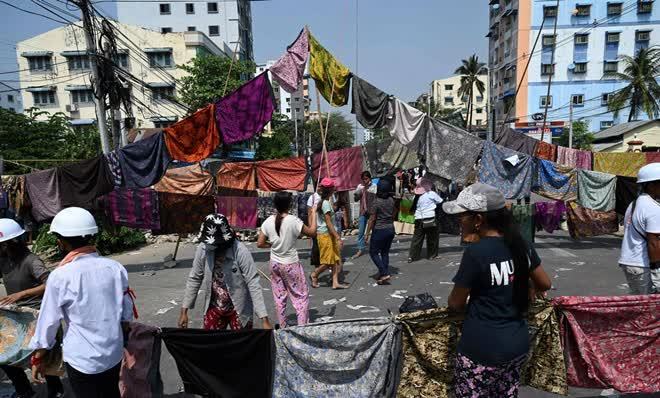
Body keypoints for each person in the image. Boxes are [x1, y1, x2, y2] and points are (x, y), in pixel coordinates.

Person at [443, 183, 552, 397]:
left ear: (478, 220)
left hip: (482, 348)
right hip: (517, 345)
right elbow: (545, 284)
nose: (459, 220)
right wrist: (528, 286)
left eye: (462, 215)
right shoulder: (522, 245)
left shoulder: (476, 253)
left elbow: (455, 303)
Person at [29, 207, 135, 398]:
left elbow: (49, 322)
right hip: (113, 352)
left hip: (81, 358)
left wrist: (38, 358)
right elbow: (126, 310)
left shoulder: (60, 276)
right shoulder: (115, 268)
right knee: (111, 393)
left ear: (61, 242)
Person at [0, 219, 64, 398]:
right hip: (16, 315)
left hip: (38, 315)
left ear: (9, 244)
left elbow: (50, 282)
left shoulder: (31, 260)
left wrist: (23, 294)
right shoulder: (4, 260)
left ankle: (56, 390)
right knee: (5, 355)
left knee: (44, 356)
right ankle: (24, 391)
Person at [179, 213, 272, 330]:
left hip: (239, 307)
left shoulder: (240, 250)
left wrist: (264, 319)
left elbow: (253, 282)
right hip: (214, 306)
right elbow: (195, 278)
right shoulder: (203, 249)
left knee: (242, 345)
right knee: (211, 344)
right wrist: (184, 311)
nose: (209, 247)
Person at [257, 192, 317, 327]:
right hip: (290, 264)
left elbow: (260, 243)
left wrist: (272, 244)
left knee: (279, 297)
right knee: (301, 297)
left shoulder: (268, 221)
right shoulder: (293, 220)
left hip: (275, 264)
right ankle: (302, 328)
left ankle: (283, 326)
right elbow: (312, 232)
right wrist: (313, 214)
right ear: (290, 205)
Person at [619, 163, 660, 294]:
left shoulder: (635, 203)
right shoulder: (653, 208)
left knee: (639, 305)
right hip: (643, 265)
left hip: (630, 262)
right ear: (652, 185)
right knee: (650, 308)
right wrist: (656, 272)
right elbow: (654, 242)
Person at [310, 178, 349, 289]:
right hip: (325, 234)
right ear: (331, 190)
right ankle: (314, 274)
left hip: (328, 234)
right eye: (333, 187)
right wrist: (337, 237)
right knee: (328, 260)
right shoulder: (325, 203)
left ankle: (335, 282)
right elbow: (328, 223)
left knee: (335, 259)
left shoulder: (325, 202)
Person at [365, 179, 396, 285]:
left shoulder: (376, 202)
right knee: (385, 252)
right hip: (390, 229)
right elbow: (393, 214)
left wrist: (367, 233)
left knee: (373, 252)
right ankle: (383, 273)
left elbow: (372, 219)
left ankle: (384, 272)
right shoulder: (391, 200)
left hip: (379, 229)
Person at [408, 177, 443, 262]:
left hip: (418, 218)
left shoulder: (417, 197)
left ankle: (412, 256)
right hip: (430, 217)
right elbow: (440, 201)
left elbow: (414, 208)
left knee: (417, 238)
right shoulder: (431, 194)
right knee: (432, 237)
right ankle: (432, 255)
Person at [353, 171, 376, 259]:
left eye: (366, 179)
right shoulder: (360, 187)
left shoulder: (374, 187)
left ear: (370, 178)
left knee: (374, 231)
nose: (365, 181)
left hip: (372, 212)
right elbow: (356, 199)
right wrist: (358, 192)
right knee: (361, 232)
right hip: (363, 211)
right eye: (363, 179)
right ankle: (360, 249)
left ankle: (375, 248)